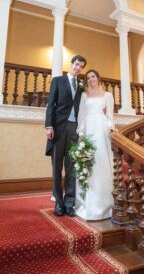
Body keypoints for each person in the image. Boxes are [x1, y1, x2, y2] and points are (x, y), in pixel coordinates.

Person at [45, 55, 87, 217]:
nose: (78, 68)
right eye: (76, 64)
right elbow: (51, 104)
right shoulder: (58, 81)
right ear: (71, 64)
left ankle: (69, 202)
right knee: (57, 166)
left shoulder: (81, 86)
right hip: (58, 127)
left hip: (74, 128)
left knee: (72, 166)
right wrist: (49, 125)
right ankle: (59, 203)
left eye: (81, 66)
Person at [75, 70, 118, 221]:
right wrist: (81, 133)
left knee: (100, 162)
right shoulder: (84, 96)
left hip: (100, 130)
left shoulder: (108, 96)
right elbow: (81, 115)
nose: (91, 79)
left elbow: (109, 116)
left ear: (98, 78)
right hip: (88, 129)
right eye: (88, 78)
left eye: (93, 76)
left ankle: (104, 204)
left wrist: (111, 126)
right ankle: (86, 203)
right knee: (87, 163)